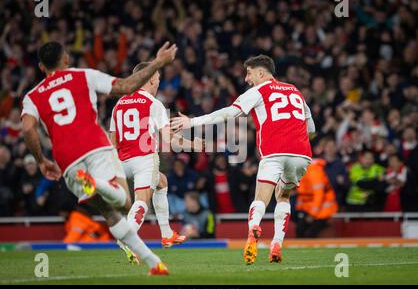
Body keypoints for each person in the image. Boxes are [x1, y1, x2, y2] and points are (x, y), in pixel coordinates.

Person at [21, 41, 177, 275]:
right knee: (125, 201)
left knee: (109, 213)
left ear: (42, 67)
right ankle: (100, 184)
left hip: (67, 159)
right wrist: (158, 62)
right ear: (66, 59)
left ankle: (153, 263)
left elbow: (27, 129)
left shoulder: (32, 96)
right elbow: (125, 86)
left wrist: (41, 160)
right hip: (95, 146)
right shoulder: (83, 75)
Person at [171, 55, 316, 264]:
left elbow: (230, 113)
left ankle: (254, 229)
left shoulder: (259, 90)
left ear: (261, 73)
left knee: (260, 199)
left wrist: (192, 122)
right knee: (283, 197)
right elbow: (310, 129)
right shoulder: (295, 90)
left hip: (275, 151)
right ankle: (276, 244)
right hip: (301, 154)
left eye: (249, 73)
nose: (247, 79)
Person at [109, 61, 203, 250]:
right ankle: (127, 237)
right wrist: (194, 144)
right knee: (142, 201)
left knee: (162, 182)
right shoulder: (154, 104)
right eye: (158, 78)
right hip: (144, 160)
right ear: (150, 78)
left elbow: (112, 141)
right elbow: (171, 140)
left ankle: (167, 234)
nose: (159, 82)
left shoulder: (119, 104)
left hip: (122, 161)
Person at [295, 158, 338, 237]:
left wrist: (312, 215)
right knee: (299, 229)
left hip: (323, 210)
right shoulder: (302, 170)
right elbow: (302, 192)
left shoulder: (314, 171)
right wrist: (299, 209)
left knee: (309, 234)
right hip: (310, 208)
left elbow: (319, 195)